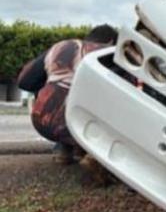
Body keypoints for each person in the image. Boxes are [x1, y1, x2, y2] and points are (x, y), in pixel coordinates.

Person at [16, 24, 118, 164]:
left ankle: (64, 148)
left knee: (58, 89)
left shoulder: (62, 46)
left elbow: (25, 82)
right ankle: (93, 153)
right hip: (82, 127)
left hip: (41, 121)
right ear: (112, 41)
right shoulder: (110, 53)